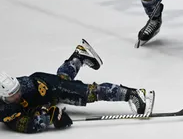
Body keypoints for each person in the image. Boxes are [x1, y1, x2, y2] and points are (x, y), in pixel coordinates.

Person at [0, 40, 153, 133]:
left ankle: (133, 94)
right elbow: (23, 124)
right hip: (45, 92)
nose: (18, 94)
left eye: (17, 90)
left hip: (49, 87)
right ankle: (79, 56)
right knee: (64, 79)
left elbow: (28, 120)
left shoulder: (26, 87)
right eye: (13, 94)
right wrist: (48, 117)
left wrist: (49, 116)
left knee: (87, 93)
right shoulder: (4, 109)